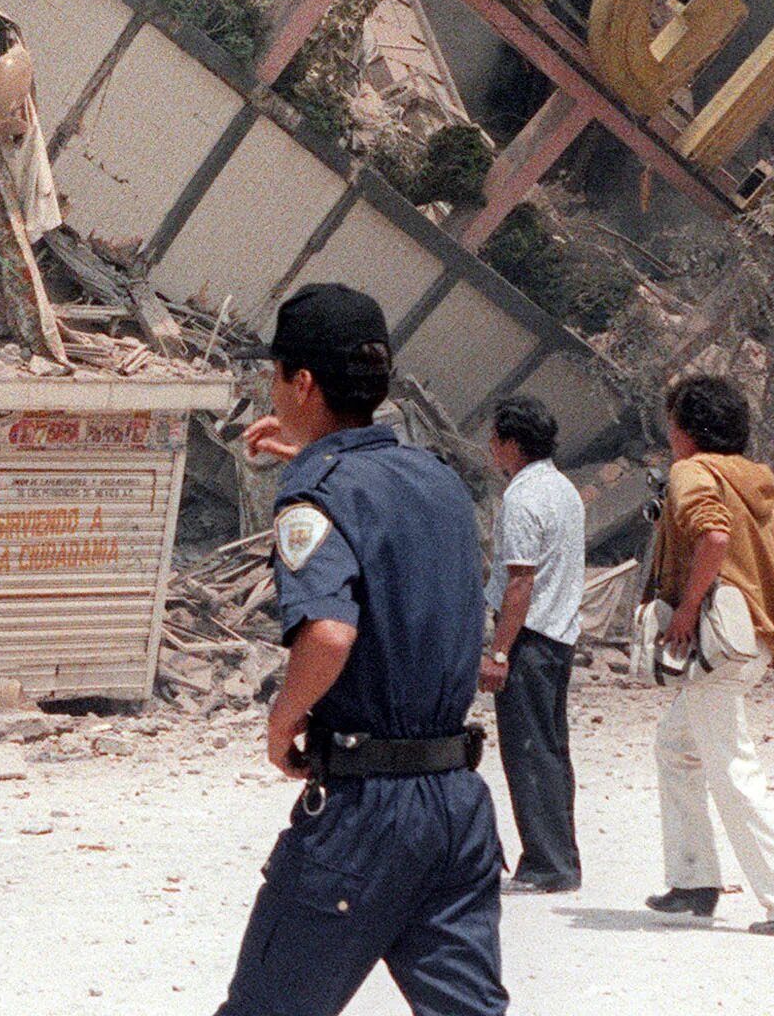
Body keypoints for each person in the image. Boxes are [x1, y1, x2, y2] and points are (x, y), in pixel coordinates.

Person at [214, 284, 505, 1016]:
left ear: (303, 383)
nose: (273, 390)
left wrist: (284, 721)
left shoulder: (316, 494)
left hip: (367, 813)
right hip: (457, 806)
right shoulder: (436, 480)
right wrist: (314, 459)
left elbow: (331, 632)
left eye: (277, 375)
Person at [646, 373, 774, 937]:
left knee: (731, 766)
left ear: (687, 430)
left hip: (716, 640)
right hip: (751, 638)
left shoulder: (692, 473)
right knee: (675, 747)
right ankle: (693, 879)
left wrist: (684, 610)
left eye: (672, 424)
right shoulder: (757, 485)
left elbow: (714, 539)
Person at [478, 395, 582, 894]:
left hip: (531, 638)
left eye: (496, 440)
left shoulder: (522, 498)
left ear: (513, 443)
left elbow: (520, 582)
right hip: (560, 635)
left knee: (528, 752)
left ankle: (547, 864)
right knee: (551, 749)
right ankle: (559, 857)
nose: (491, 450)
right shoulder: (563, 489)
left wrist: (499, 652)